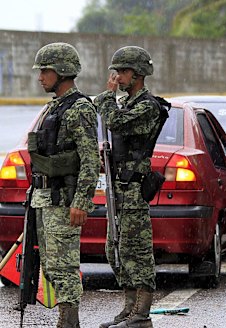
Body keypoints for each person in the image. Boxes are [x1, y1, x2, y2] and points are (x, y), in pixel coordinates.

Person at [29, 42, 100, 327]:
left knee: (64, 267)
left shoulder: (79, 108)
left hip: (62, 200)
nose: (40, 77)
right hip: (44, 197)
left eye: (45, 71)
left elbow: (90, 159)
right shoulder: (55, 107)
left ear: (61, 71)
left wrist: (81, 201)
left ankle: (69, 322)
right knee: (51, 266)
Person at [95, 46, 162, 328]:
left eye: (122, 71)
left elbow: (115, 122)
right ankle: (129, 308)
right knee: (116, 249)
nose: (117, 76)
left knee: (137, 250)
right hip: (118, 188)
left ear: (136, 74)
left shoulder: (148, 106)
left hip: (134, 190)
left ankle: (141, 313)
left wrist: (107, 96)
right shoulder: (127, 103)